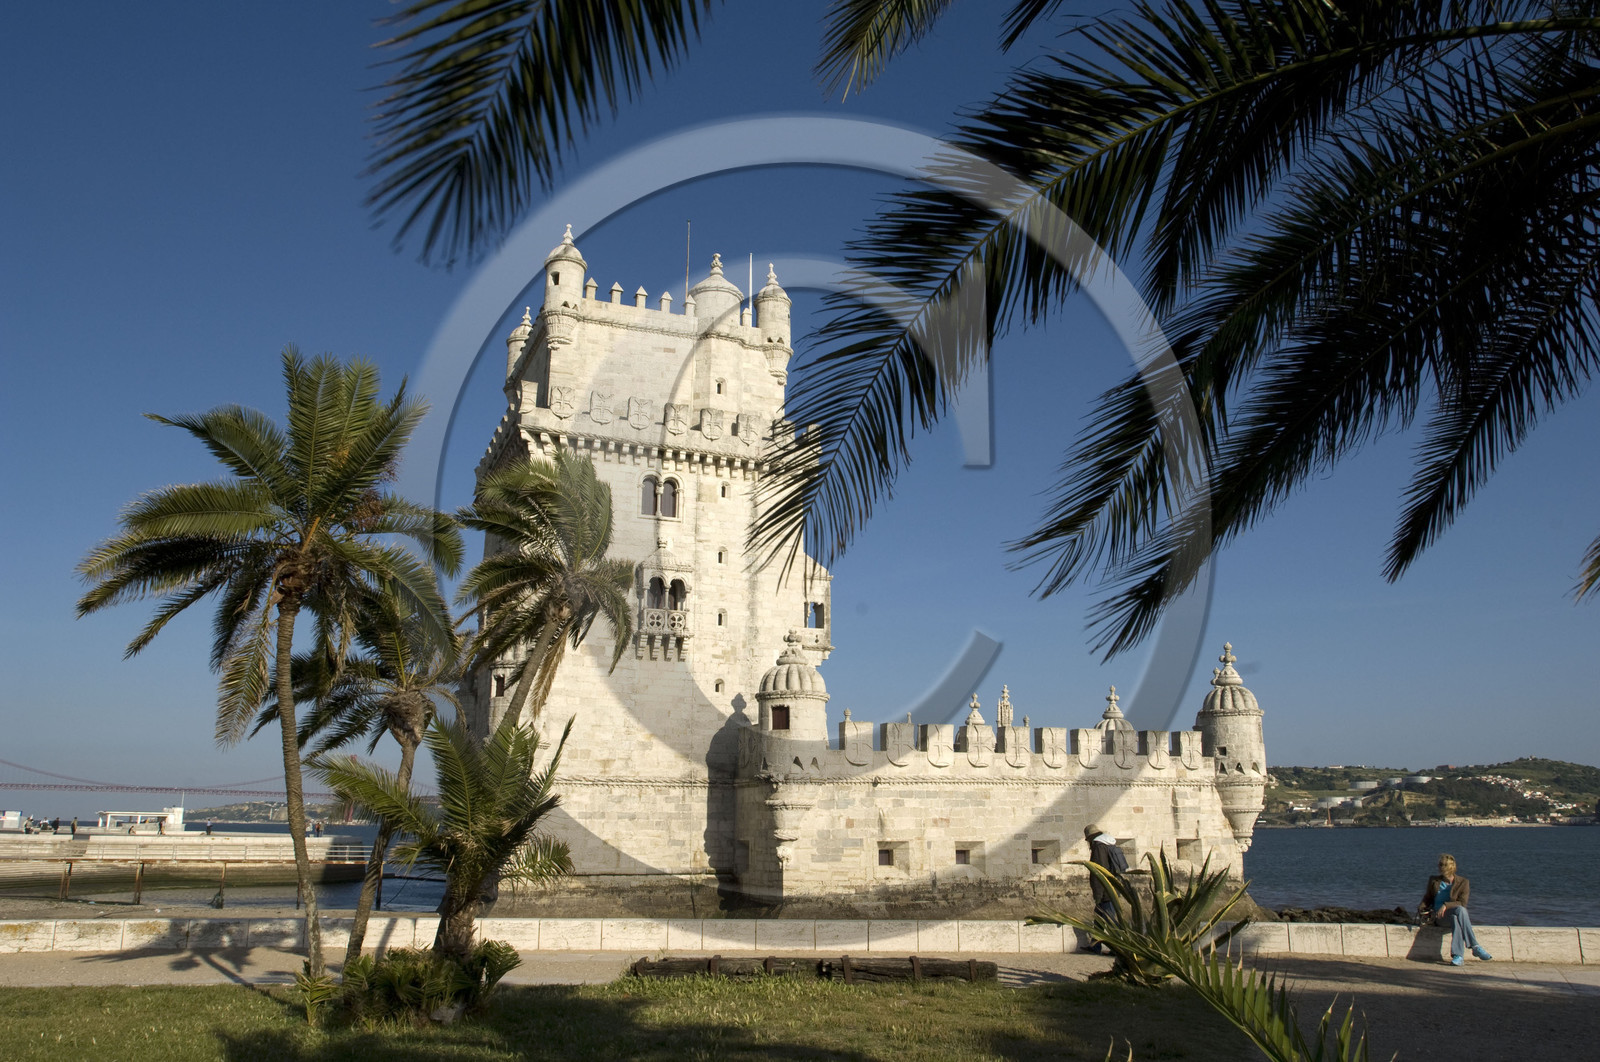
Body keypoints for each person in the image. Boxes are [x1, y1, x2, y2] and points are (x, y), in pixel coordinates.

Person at [1421, 853, 1492, 965]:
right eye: (1439, 864)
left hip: (1452, 914)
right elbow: (1428, 898)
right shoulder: (1434, 880)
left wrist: (1445, 905)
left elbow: (1462, 903)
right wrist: (1421, 910)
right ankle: (1474, 946)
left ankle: (1458, 956)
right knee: (1460, 911)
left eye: (1442, 865)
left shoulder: (1463, 882)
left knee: (1457, 915)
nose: (1439, 867)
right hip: (1439, 917)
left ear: (1449, 867)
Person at [1082, 823, 1129, 954]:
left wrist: (1097, 894)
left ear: (1090, 838)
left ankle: (1118, 948)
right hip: (1113, 885)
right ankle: (1095, 945)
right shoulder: (1109, 844)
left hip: (1106, 890)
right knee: (1099, 917)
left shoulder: (1099, 847)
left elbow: (1099, 872)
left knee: (1110, 919)